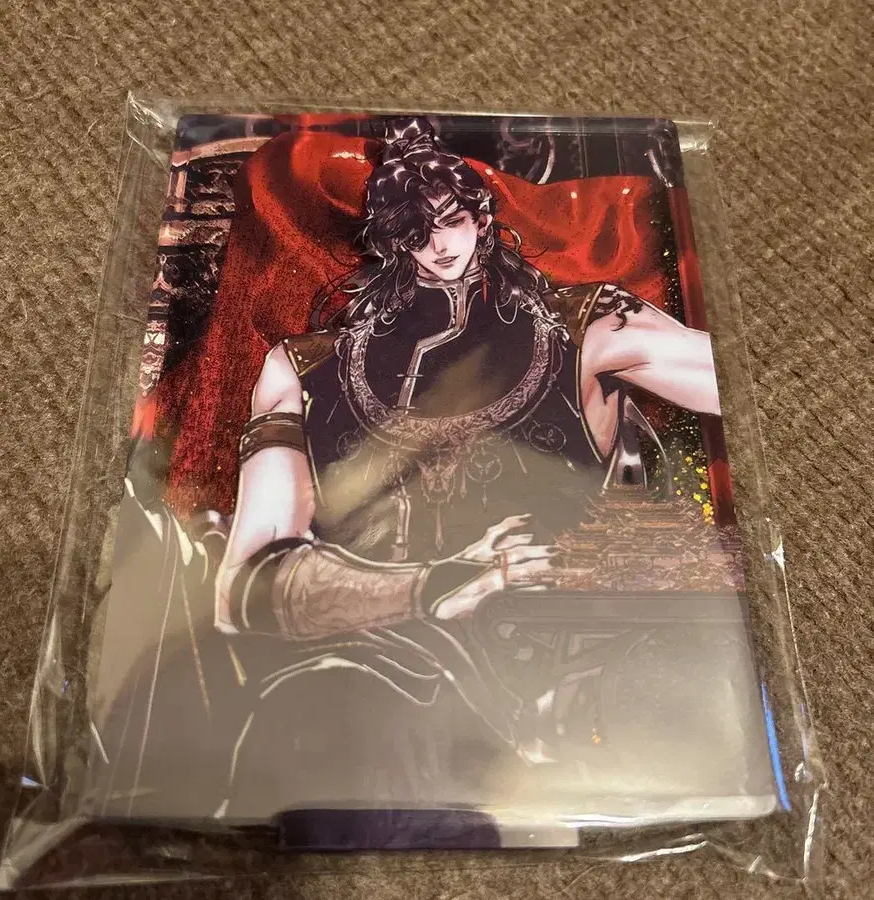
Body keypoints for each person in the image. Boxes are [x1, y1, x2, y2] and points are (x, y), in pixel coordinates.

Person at [204, 119, 723, 825]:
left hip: (574, 673)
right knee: (323, 716)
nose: (439, 244)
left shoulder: (588, 327)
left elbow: (745, 386)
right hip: (373, 666)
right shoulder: (302, 368)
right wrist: (433, 585)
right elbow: (244, 588)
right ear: (392, 239)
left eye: (450, 220)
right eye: (417, 230)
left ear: (480, 218)